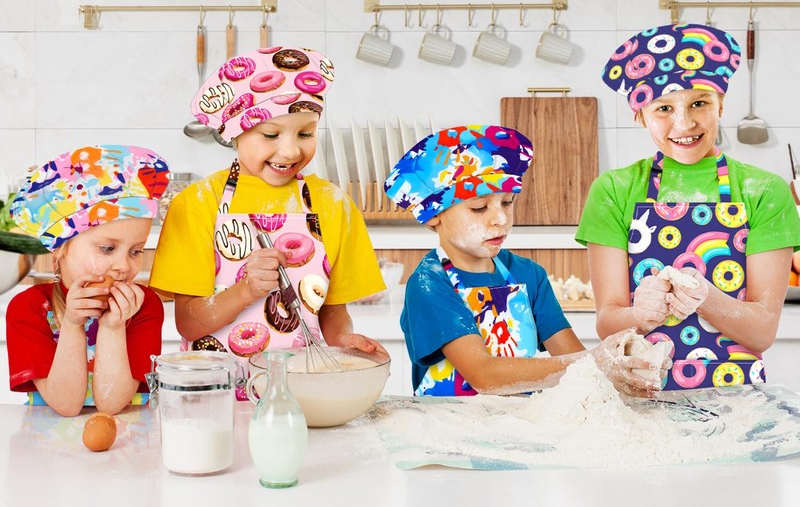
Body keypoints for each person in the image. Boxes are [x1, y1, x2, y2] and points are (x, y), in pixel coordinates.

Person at [149, 47, 386, 394]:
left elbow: (332, 312)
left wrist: (344, 342)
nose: (291, 151)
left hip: (301, 393)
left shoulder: (332, 204)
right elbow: (189, 324)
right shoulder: (197, 203)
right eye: (271, 135)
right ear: (234, 133)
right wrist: (246, 290)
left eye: (305, 134)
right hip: (218, 397)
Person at [577, 22, 800, 390]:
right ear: (640, 115)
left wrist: (706, 298)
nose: (684, 123)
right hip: (641, 398)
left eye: (699, 103)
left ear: (721, 105)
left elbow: (761, 333)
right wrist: (640, 315)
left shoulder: (764, 190)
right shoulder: (613, 190)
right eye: (664, 108)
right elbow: (607, 323)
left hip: (736, 401)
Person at [384, 124, 664, 397]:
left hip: (521, 422)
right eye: (479, 207)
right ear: (433, 215)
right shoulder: (430, 283)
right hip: (449, 423)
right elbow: (484, 376)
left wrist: (623, 367)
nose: (500, 219)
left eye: (507, 202)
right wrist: (596, 363)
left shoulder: (529, 275)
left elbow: (572, 357)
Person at [6, 144, 170, 416]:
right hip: (48, 440)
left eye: (135, 251)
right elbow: (66, 405)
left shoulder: (144, 306)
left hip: (126, 437)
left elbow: (112, 404)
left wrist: (113, 327)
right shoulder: (29, 308)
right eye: (107, 248)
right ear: (61, 248)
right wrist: (72, 325)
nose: (123, 266)